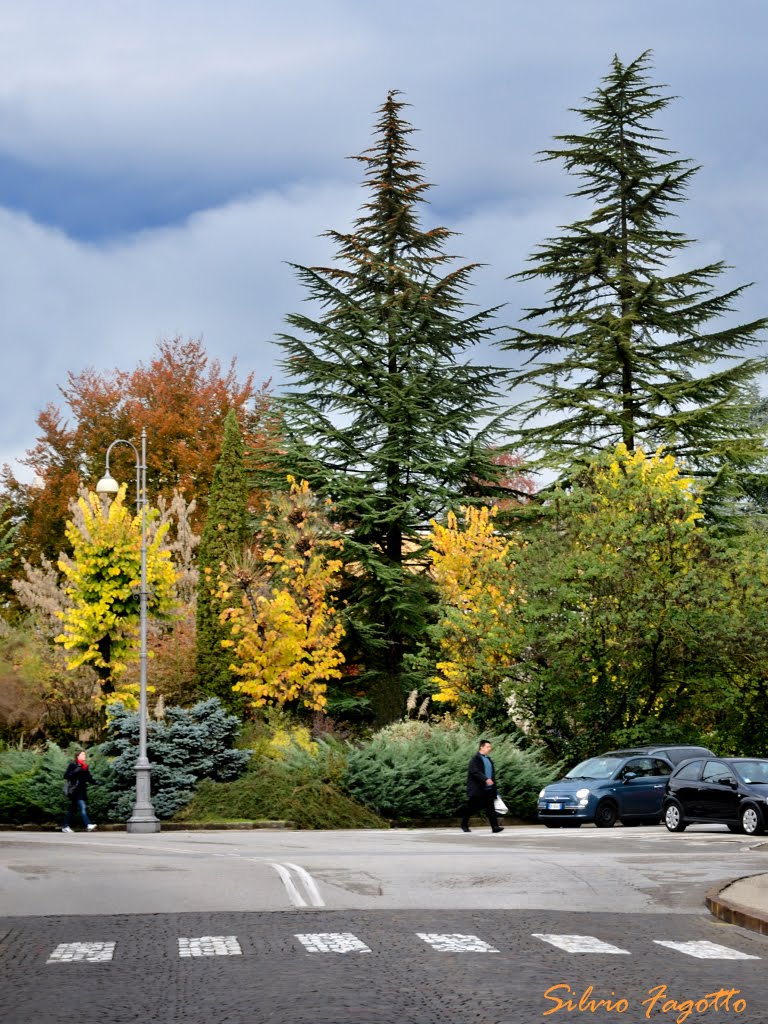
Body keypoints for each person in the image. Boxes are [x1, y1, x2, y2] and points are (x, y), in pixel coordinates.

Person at [460, 739, 504, 834]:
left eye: (490, 747)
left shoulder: (488, 759)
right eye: (488, 747)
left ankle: (495, 827)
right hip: (478, 789)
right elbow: (475, 772)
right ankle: (464, 824)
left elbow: (492, 775)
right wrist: (485, 779)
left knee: (491, 808)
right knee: (471, 808)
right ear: (481, 747)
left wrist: (494, 789)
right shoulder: (475, 759)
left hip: (488, 790)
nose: (490, 748)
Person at [62, 750, 98, 833]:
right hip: (75, 790)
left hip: (82, 790)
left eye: (85, 754)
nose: (84, 756)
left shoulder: (85, 766)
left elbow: (88, 777)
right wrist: (74, 772)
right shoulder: (73, 765)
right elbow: (66, 776)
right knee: (82, 807)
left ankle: (65, 826)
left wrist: (95, 782)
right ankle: (88, 824)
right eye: (82, 754)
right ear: (78, 756)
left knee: (72, 809)